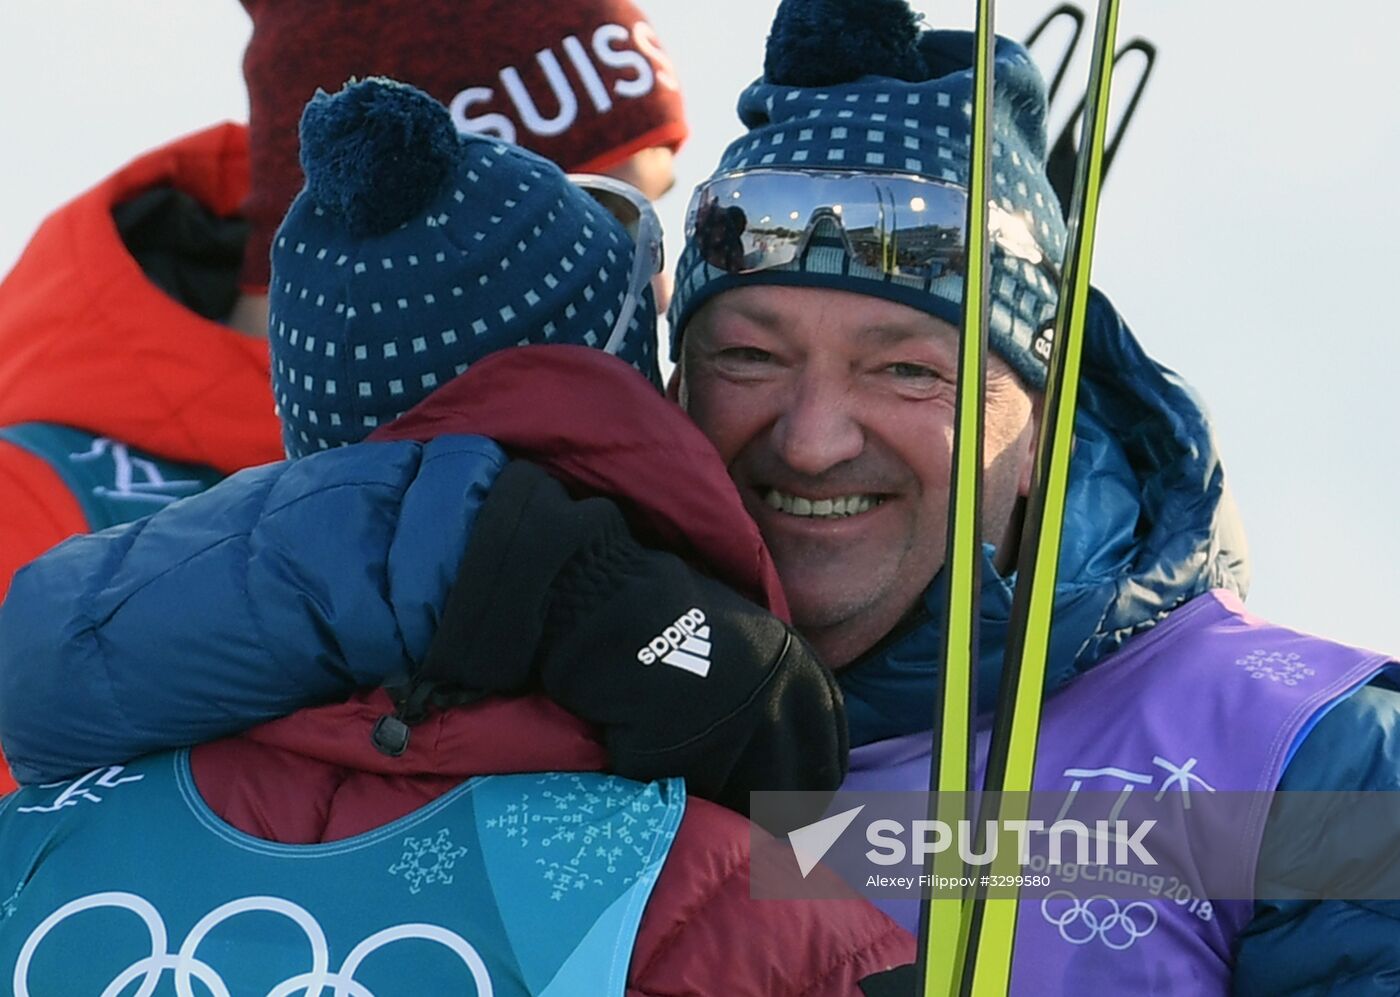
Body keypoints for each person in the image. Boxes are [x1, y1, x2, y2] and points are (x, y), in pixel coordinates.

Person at [6, 1, 1399, 992]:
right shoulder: (592, 681)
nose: (810, 435)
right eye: (749, 355)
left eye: (910, 369)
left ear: (1042, 394)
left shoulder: (1292, 763)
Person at [0, 78, 909, 994]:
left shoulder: (40, 844)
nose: (810, 440)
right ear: (620, 415)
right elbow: (1007, 863)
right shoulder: (739, 904)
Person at [0, 0, 687, 793]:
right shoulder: (42, 517)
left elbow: (814, 877)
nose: (659, 289)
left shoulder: (663, 477)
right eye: (602, 212)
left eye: (655, 213)